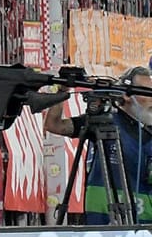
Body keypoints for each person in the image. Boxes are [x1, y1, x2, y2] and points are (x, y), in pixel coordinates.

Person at [42, 66, 152, 224]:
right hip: (102, 221)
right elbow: (54, 125)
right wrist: (62, 90)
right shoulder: (104, 121)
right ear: (127, 95)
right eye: (146, 92)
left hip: (145, 226)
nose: (151, 98)